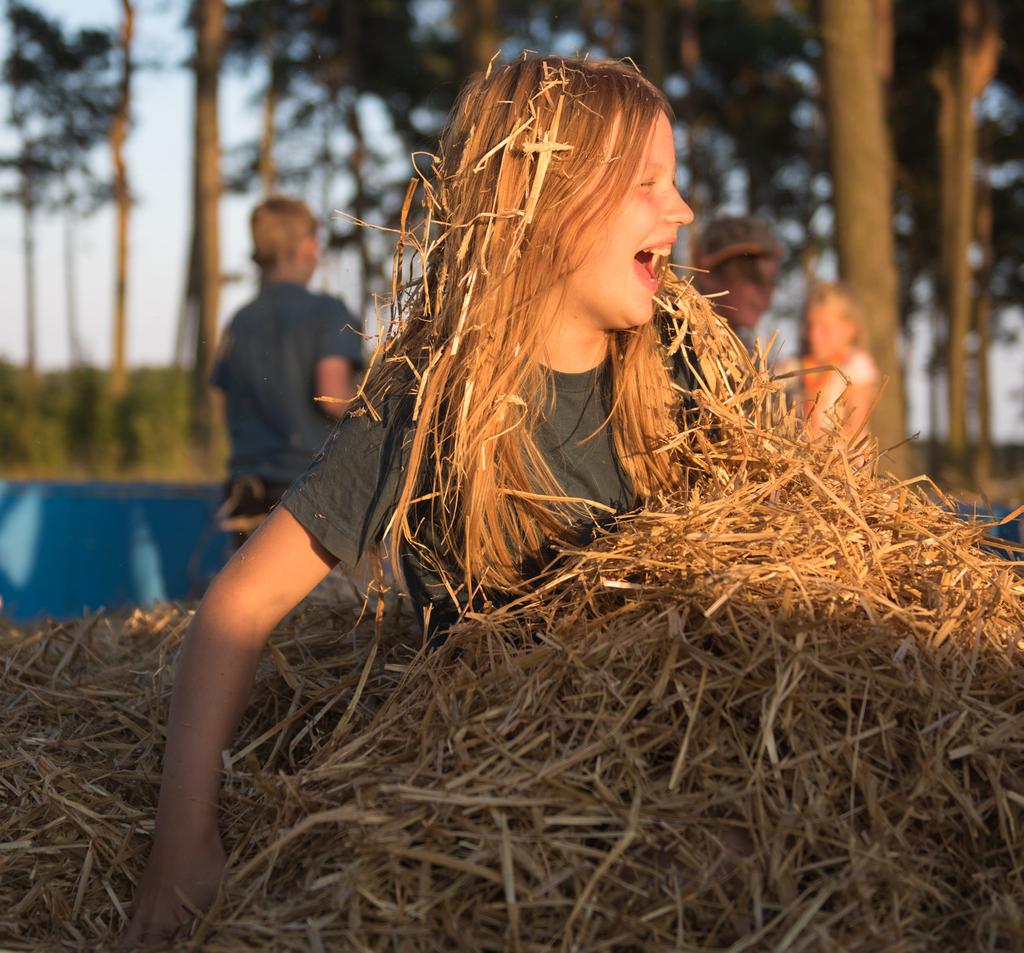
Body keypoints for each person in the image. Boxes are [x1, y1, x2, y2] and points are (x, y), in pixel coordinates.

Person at [125, 56, 696, 943]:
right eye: (649, 183)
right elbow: (237, 605)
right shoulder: (427, 402)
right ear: (541, 200)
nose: (682, 210)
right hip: (496, 819)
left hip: (673, 789)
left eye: (678, 182)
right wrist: (181, 837)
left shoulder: (686, 372)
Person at [211, 195, 364, 548]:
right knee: (324, 602)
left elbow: (223, 404)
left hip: (244, 489)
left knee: (254, 598)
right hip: (305, 492)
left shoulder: (240, 320)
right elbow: (332, 394)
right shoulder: (327, 312)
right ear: (309, 248)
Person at [782, 281, 879, 440]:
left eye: (825, 328)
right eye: (809, 325)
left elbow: (853, 430)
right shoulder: (791, 368)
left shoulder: (856, 368)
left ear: (850, 329)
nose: (814, 336)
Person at [692, 215, 782, 355]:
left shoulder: (748, 356)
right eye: (753, 276)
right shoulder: (683, 348)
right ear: (708, 275)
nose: (765, 291)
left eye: (772, 281)